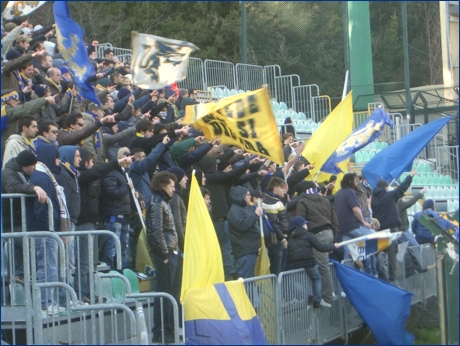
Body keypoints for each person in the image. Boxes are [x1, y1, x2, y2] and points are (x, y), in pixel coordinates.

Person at [147, 171, 181, 344]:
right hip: (165, 254)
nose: (174, 189)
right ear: (162, 185)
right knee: (164, 295)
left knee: (169, 294)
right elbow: (156, 231)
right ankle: (160, 332)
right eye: (171, 186)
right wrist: (164, 254)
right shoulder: (157, 203)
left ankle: (168, 329)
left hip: (170, 252)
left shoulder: (163, 202)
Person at [1, 150, 47, 282]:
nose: (34, 168)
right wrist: (34, 188)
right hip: (11, 221)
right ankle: (19, 276)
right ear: (24, 166)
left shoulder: (17, 172)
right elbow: (13, 187)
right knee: (33, 243)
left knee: (19, 249)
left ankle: (18, 276)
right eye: (32, 165)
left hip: (16, 220)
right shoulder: (8, 173)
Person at [295, 181, 339, 305]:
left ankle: (327, 298)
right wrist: (333, 240)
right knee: (323, 266)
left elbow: (300, 223)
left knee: (322, 267)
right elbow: (334, 221)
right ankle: (321, 295)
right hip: (329, 233)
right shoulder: (325, 200)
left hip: (316, 235)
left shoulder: (302, 201)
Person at [371, 170, 416, 281]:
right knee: (392, 257)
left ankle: (380, 278)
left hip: (378, 232)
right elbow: (402, 188)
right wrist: (410, 176)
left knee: (377, 256)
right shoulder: (389, 196)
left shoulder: (372, 199)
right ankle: (392, 280)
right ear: (386, 188)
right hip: (391, 231)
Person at [287, 216, 339, 309]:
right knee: (316, 278)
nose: (307, 225)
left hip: (296, 264)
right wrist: (333, 246)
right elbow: (321, 247)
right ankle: (317, 299)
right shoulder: (308, 235)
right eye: (305, 224)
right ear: (300, 226)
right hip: (309, 262)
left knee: (297, 282)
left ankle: (309, 295)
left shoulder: (290, 238)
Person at [334, 173, 377, 276]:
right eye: (356, 181)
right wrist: (363, 222)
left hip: (343, 228)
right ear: (350, 182)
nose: (358, 184)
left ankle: (347, 282)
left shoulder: (338, 193)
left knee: (347, 257)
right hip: (354, 226)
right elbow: (356, 209)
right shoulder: (351, 192)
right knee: (374, 238)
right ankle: (370, 273)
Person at [227, 186, 264, 279]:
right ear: (241, 196)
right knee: (247, 281)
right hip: (245, 252)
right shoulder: (235, 210)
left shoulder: (244, 208)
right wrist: (255, 214)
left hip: (251, 250)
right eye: (247, 195)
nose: (250, 197)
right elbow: (242, 225)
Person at [262, 177, 289, 275]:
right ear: (275, 189)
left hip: (282, 240)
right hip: (277, 242)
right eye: (283, 188)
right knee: (278, 272)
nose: (285, 191)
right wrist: (282, 239)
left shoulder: (276, 200)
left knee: (282, 271)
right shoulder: (269, 202)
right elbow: (274, 224)